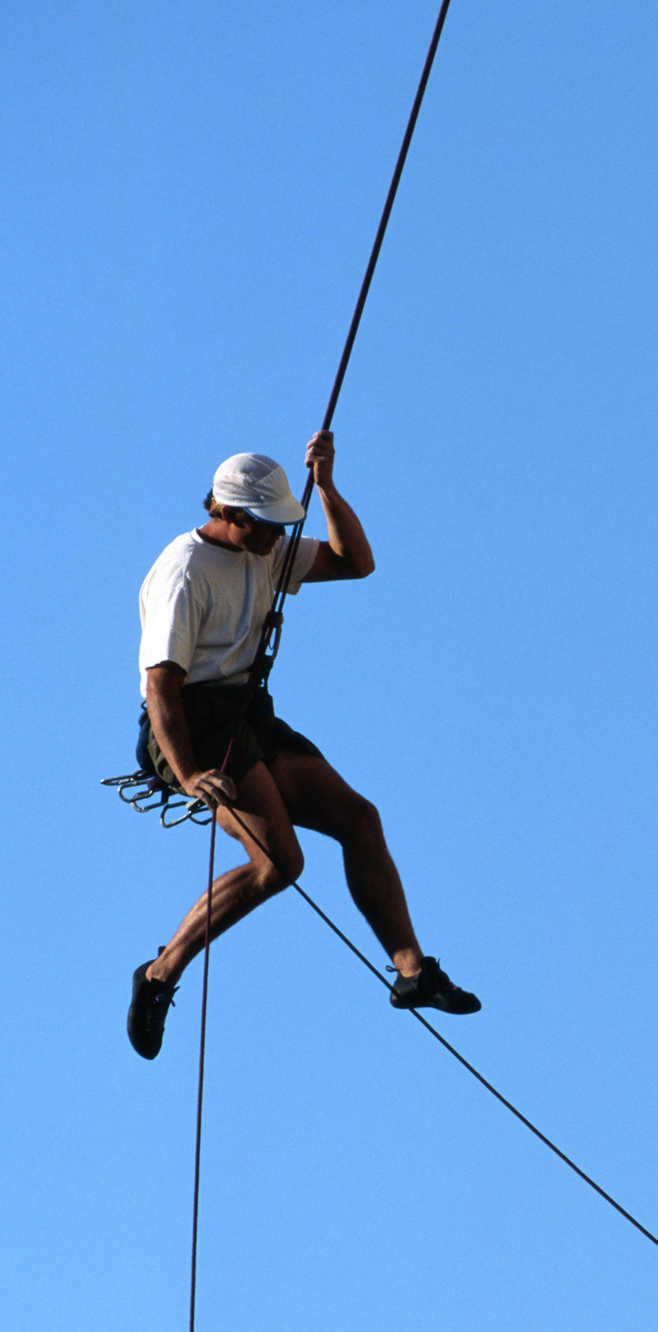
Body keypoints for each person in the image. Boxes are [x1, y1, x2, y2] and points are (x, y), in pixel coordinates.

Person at [127, 429, 480, 1059]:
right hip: (192, 722)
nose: (276, 537)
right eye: (266, 524)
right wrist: (185, 774)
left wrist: (325, 488)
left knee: (358, 819)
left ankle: (412, 973)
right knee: (280, 864)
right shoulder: (184, 571)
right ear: (229, 515)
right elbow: (161, 688)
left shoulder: (267, 550)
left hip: (246, 712)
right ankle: (160, 974)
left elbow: (355, 562)